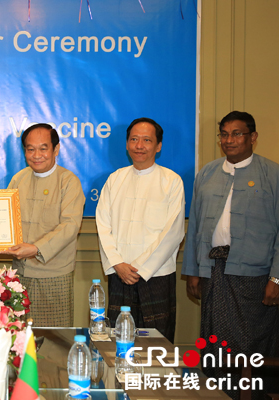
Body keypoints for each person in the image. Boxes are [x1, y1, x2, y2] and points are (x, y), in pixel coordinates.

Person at [183, 111, 279, 400]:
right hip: (213, 273)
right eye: (224, 134)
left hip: (256, 278)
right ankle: (218, 395)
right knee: (216, 344)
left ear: (253, 137)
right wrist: (193, 271)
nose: (229, 140)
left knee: (251, 349)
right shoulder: (208, 173)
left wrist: (277, 278)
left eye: (237, 133)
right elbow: (195, 225)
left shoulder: (272, 174)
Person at [95, 118, 184, 343]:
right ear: (127, 144)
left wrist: (141, 268)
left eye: (147, 140)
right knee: (119, 339)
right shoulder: (115, 179)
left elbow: (173, 232)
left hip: (157, 275)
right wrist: (118, 263)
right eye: (134, 139)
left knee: (157, 342)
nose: (139, 146)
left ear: (158, 146)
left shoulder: (171, 181)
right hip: (120, 274)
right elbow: (103, 224)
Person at [2, 123, 85, 327]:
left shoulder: (68, 181)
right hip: (19, 273)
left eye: (43, 148)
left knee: (53, 337)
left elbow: (70, 225)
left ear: (56, 149)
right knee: (17, 335)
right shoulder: (18, 179)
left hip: (53, 275)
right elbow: (7, 221)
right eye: (30, 149)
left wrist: (36, 248)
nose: (36, 155)